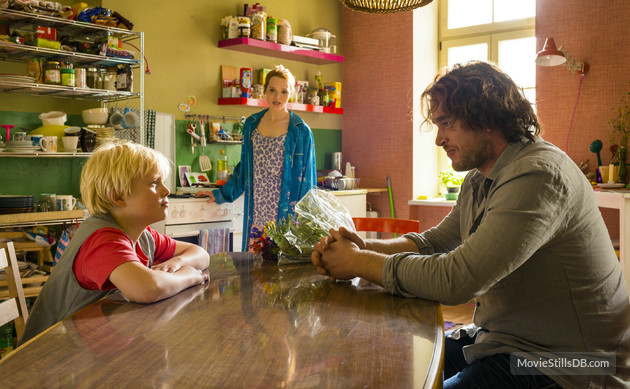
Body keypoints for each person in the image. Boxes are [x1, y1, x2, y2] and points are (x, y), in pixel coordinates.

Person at [312, 61, 630, 388]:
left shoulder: (539, 175)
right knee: (393, 351)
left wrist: (358, 262)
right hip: (509, 341)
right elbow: (435, 242)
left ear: (486, 117)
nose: (438, 139)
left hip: (575, 363)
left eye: (447, 123)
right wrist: (362, 247)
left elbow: (457, 280)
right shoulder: (482, 177)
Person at [19, 142, 209, 345]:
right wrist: (189, 276)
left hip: (90, 351)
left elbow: (200, 254)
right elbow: (147, 288)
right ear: (118, 196)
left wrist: (178, 262)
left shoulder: (142, 234)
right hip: (49, 361)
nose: (167, 191)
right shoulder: (102, 239)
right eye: (154, 183)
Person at [195, 64, 316, 251]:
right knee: (256, 271)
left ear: (291, 93)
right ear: (264, 92)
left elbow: (307, 179)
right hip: (256, 213)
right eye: (272, 90)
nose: (277, 97)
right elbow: (244, 169)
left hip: (286, 216)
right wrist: (220, 194)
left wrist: (304, 223)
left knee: (282, 272)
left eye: (284, 91)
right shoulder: (251, 124)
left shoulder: (301, 130)